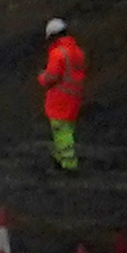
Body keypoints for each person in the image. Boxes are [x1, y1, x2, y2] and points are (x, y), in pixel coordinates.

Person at [47, 17, 89, 176]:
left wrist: (42, 78)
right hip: (74, 98)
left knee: (61, 130)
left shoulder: (58, 53)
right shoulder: (78, 52)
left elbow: (52, 76)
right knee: (67, 130)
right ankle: (61, 157)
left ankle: (68, 163)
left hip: (60, 99)